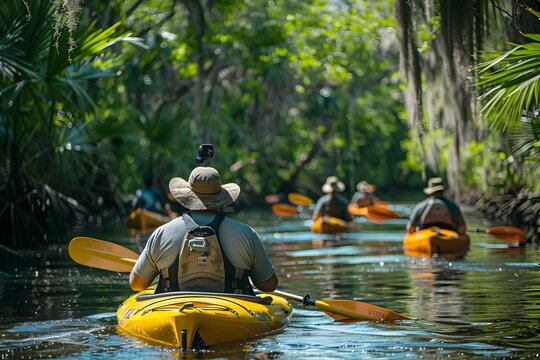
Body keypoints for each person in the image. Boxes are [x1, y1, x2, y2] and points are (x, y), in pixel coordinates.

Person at [129, 166, 278, 295]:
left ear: (187, 198)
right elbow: (269, 285)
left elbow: (137, 284)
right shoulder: (247, 233)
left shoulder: (161, 233)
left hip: (175, 313)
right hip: (232, 315)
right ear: (221, 199)